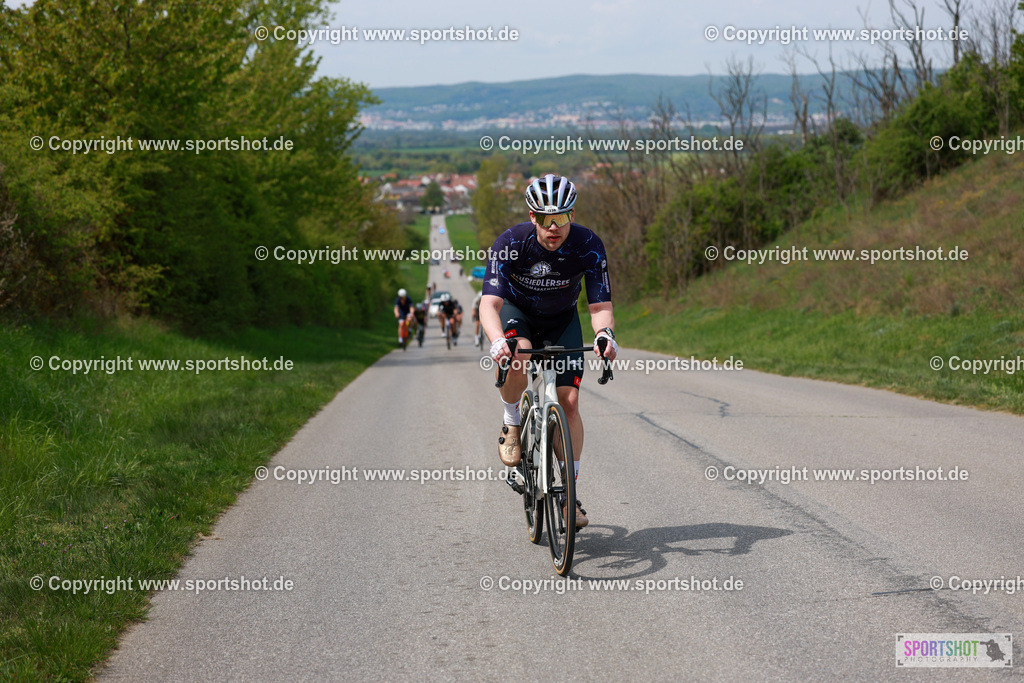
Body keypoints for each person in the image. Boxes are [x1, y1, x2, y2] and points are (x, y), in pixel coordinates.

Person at [479, 174, 617, 529]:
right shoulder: (510, 243)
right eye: (544, 219)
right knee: (519, 354)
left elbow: (599, 303)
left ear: (573, 214)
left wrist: (605, 335)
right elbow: (489, 303)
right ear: (531, 216)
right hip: (518, 314)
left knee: (569, 402)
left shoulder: (588, 244)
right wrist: (497, 340)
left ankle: (570, 494)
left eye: (561, 218)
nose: (553, 227)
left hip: (561, 320)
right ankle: (512, 422)